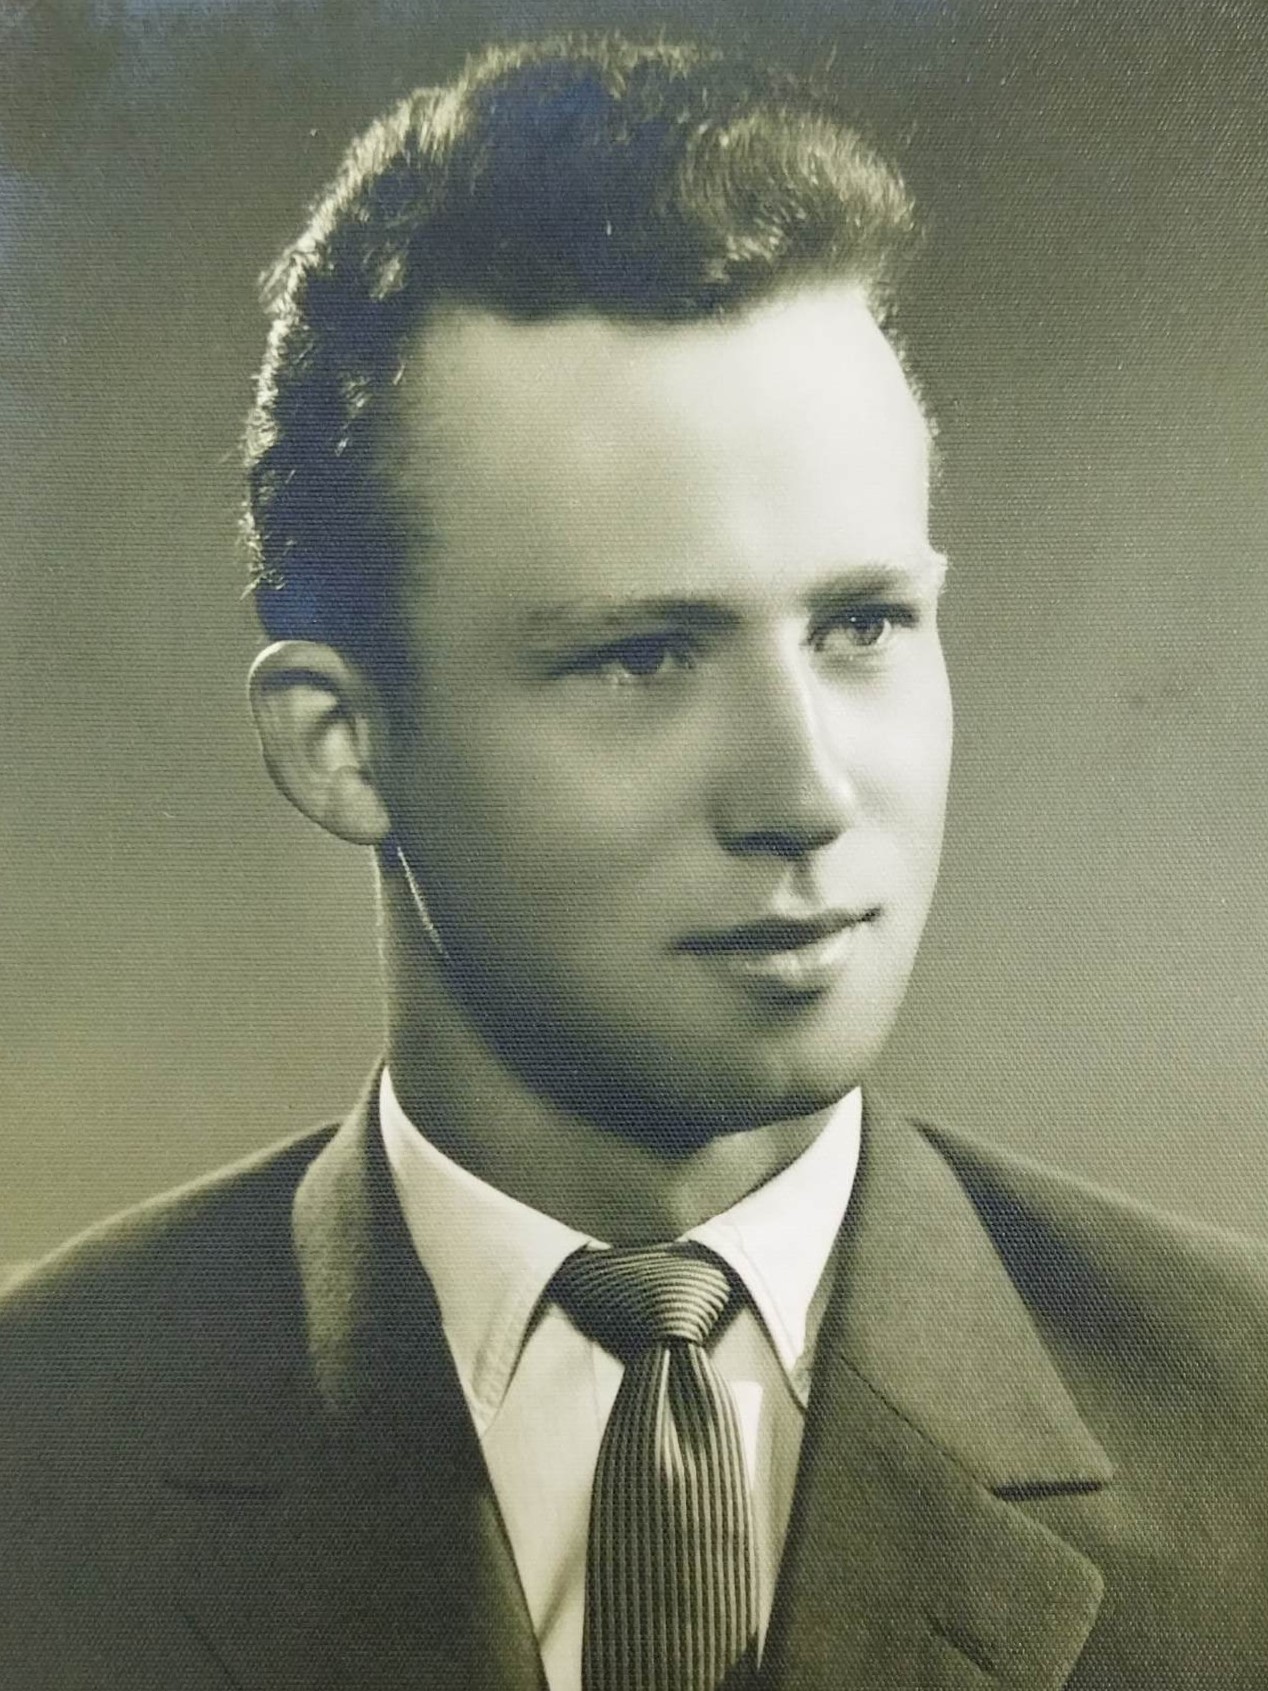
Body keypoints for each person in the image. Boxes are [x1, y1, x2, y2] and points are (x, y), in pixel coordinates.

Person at [2, 33, 1267, 1691]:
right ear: (341, 745)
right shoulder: (40, 1442)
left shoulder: (1245, 1425)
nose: (806, 792)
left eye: (863, 625)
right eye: (643, 657)